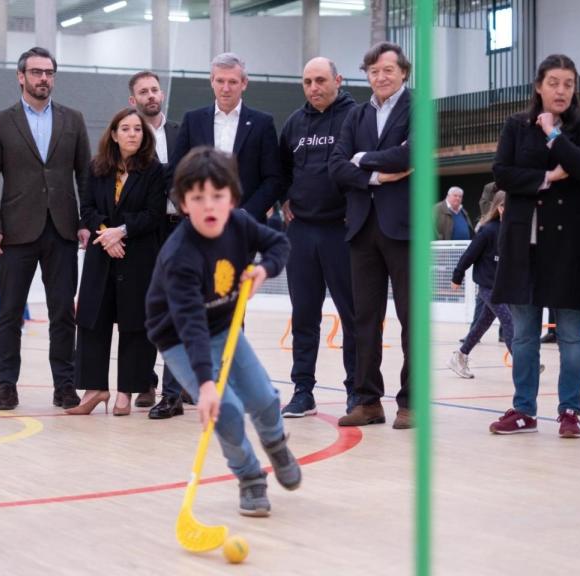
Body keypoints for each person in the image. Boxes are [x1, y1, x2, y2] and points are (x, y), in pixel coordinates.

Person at [145, 147, 299, 517]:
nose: (209, 206)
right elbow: (190, 324)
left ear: (232, 197)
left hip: (223, 325)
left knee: (263, 398)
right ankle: (249, 476)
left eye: (218, 196)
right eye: (198, 198)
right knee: (225, 410)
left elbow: (278, 243)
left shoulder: (240, 224)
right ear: (183, 204)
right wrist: (206, 385)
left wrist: (265, 269)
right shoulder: (179, 256)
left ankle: (275, 441)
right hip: (181, 338)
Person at [488, 54, 580, 438]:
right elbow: (502, 172)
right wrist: (547, 176)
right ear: (539, 86)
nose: (561, 90)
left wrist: (554, 135)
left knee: (571, 332)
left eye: (568, 83)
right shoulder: (516, 126)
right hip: (525, 243)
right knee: (523, 334)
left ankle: (570, 410)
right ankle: (524, 409)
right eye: (554, 82)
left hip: (569, 246)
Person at [0, 47, 90, 411]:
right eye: (37, 72)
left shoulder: (73, 119)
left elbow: (85, 176)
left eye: (50, 72)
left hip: (62, 231)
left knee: (63, 313)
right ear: (20, 76)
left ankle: (64, 386)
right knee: (9, 313)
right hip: (15, 233)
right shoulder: (0, 121)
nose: (44, 78)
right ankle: (7, 386)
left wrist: (87, 222)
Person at [328, 41, 414, 429]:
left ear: (403, 73)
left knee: (411, 318)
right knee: (364, 318)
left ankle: (410, 402)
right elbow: (335, 165)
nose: (380, 77)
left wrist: (361, 159)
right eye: (374, 71)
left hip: (404, 228)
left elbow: (410, 155)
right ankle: (367, 401)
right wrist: (376, 174)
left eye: (388, 70)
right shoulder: (355, 115)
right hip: (362, 227)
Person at [68, 108, 166, 416]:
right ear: (113, 134)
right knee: (92, 321)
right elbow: (86, 208)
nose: (133, 134)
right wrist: (105, 235)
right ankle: (95, 389)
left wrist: (120, 232)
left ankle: (127, 390)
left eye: (138, 129)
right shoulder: (96, 167)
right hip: (102, 254)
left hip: (138, 256)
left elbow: (154, 214)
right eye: (126, 128)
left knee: (135, 324)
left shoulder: (154, 170)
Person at [277, 57, 358, 417]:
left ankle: (357, 391)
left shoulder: (355, 117)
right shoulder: (294, 122)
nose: (314, 88)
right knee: (304, 316)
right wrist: (283, 200)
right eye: (307, 81)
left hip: (342, 232)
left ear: (338, 80)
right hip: (302, 233)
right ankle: (302, 391)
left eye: (321, 80)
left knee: (353, 316)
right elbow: (279, 170)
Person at [126, 70, 191, 417]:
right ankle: (145, 382)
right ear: (132, 99)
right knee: (143, 311)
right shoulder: (127, 135)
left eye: (154, 90)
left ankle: (173, 390)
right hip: (142, 232)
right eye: (143, 91)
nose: (150, 95)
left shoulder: (183, 132)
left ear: (161, 94)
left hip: (178, 228)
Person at [171, 52, 282, 223]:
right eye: (220, 81)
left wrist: (246, 214)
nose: (226, 88)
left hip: (245, 226)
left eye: (232, 82)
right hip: (198, 224)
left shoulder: (262, 124)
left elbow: (273, 178)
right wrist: (189, 209)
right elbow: (174, 172)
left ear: (244, 83)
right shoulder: (192, 120)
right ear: (211, 81)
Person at [448, 191, 513, 379]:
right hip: (487, 285)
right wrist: (457, 276)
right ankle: (522, 362)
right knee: (508, 320)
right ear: (500, 208)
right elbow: (469, 254)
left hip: (503, 286)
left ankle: (460, 355)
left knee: (482, 323)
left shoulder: (513, 231)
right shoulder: (488, 230)